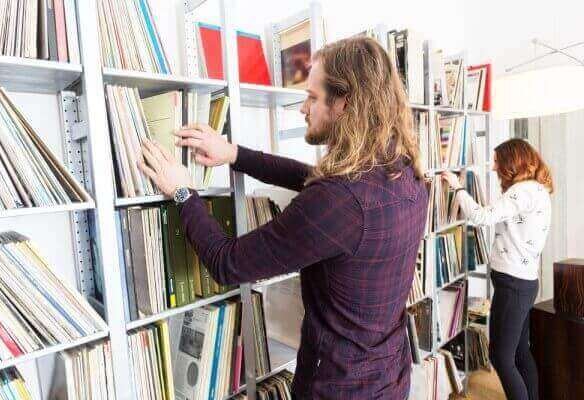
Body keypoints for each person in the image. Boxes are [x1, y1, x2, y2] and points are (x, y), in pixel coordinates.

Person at [139, 36, 428, 399]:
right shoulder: (408, 175)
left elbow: (228, 264)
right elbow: (312, 178)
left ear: (343, 103)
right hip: (390, 376)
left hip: (338, 389)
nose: (302, 108)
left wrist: (182, 192)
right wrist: (233, 154)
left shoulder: (340, 201)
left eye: (312, 96)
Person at [442, 139, 553, 400]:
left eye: (496, 162)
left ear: (511, 162)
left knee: (501, 358)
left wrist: (458, 187)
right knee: (519, 352)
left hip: (513, 284)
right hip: (524, 282)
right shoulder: (536, 189)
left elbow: (481, 216)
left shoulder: (522, 192)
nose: (493, 168)